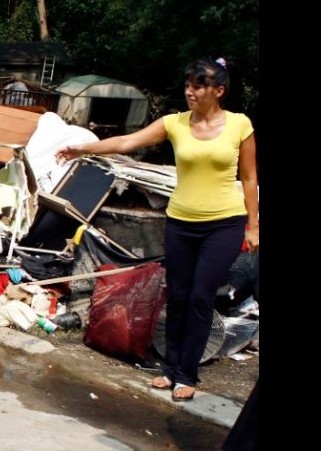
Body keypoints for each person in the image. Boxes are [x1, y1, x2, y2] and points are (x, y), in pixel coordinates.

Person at [55, 58, 259, 401]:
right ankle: (170, 369)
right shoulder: (174, 123)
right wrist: (81, 147)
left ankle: (187, 373)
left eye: (198, 86)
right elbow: (125, 143)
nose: (189, 92)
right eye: (187, 85)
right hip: (180, 222)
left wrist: (254, 226)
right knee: (178, 297)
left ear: (218, 91)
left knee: (199, 296)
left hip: (224, 224)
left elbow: (250, 177)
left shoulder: (240, 125)